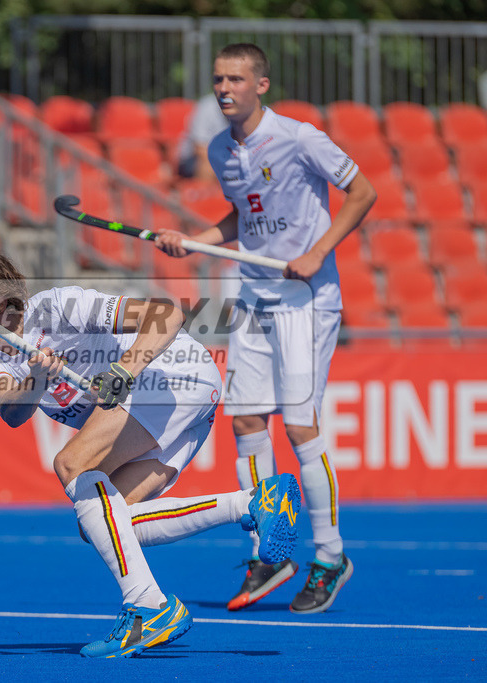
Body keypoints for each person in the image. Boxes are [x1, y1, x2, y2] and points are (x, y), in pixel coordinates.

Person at [0, 250, 301, 658]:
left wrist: (123, 370)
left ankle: (149, 605)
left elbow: (167, 315)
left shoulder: (59, 307)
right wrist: (37, 375)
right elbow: (11, 411)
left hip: (173, 375)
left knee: (71, 464)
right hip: (181, 405)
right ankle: (251, 503)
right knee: (109, 523)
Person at [155, 43, 377, 614]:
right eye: (218, 80)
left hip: (307, 297)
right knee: (247, 421)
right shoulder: (220, 150)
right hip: (253, 295)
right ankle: (270, 547)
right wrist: (193, 240)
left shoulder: (301, 138)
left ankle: (330, 556)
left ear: (262, 84)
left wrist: (319, 250)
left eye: (235, 79)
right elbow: (240, 218)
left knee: (301, 426)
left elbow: (363, 193)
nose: (224, 88)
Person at [176, 94, 228, 181]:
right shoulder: (207, 107)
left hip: (224, 158)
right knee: (209, 164)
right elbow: (201, 149)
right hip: (192, 159)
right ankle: (204, 193)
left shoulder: (246, 110)